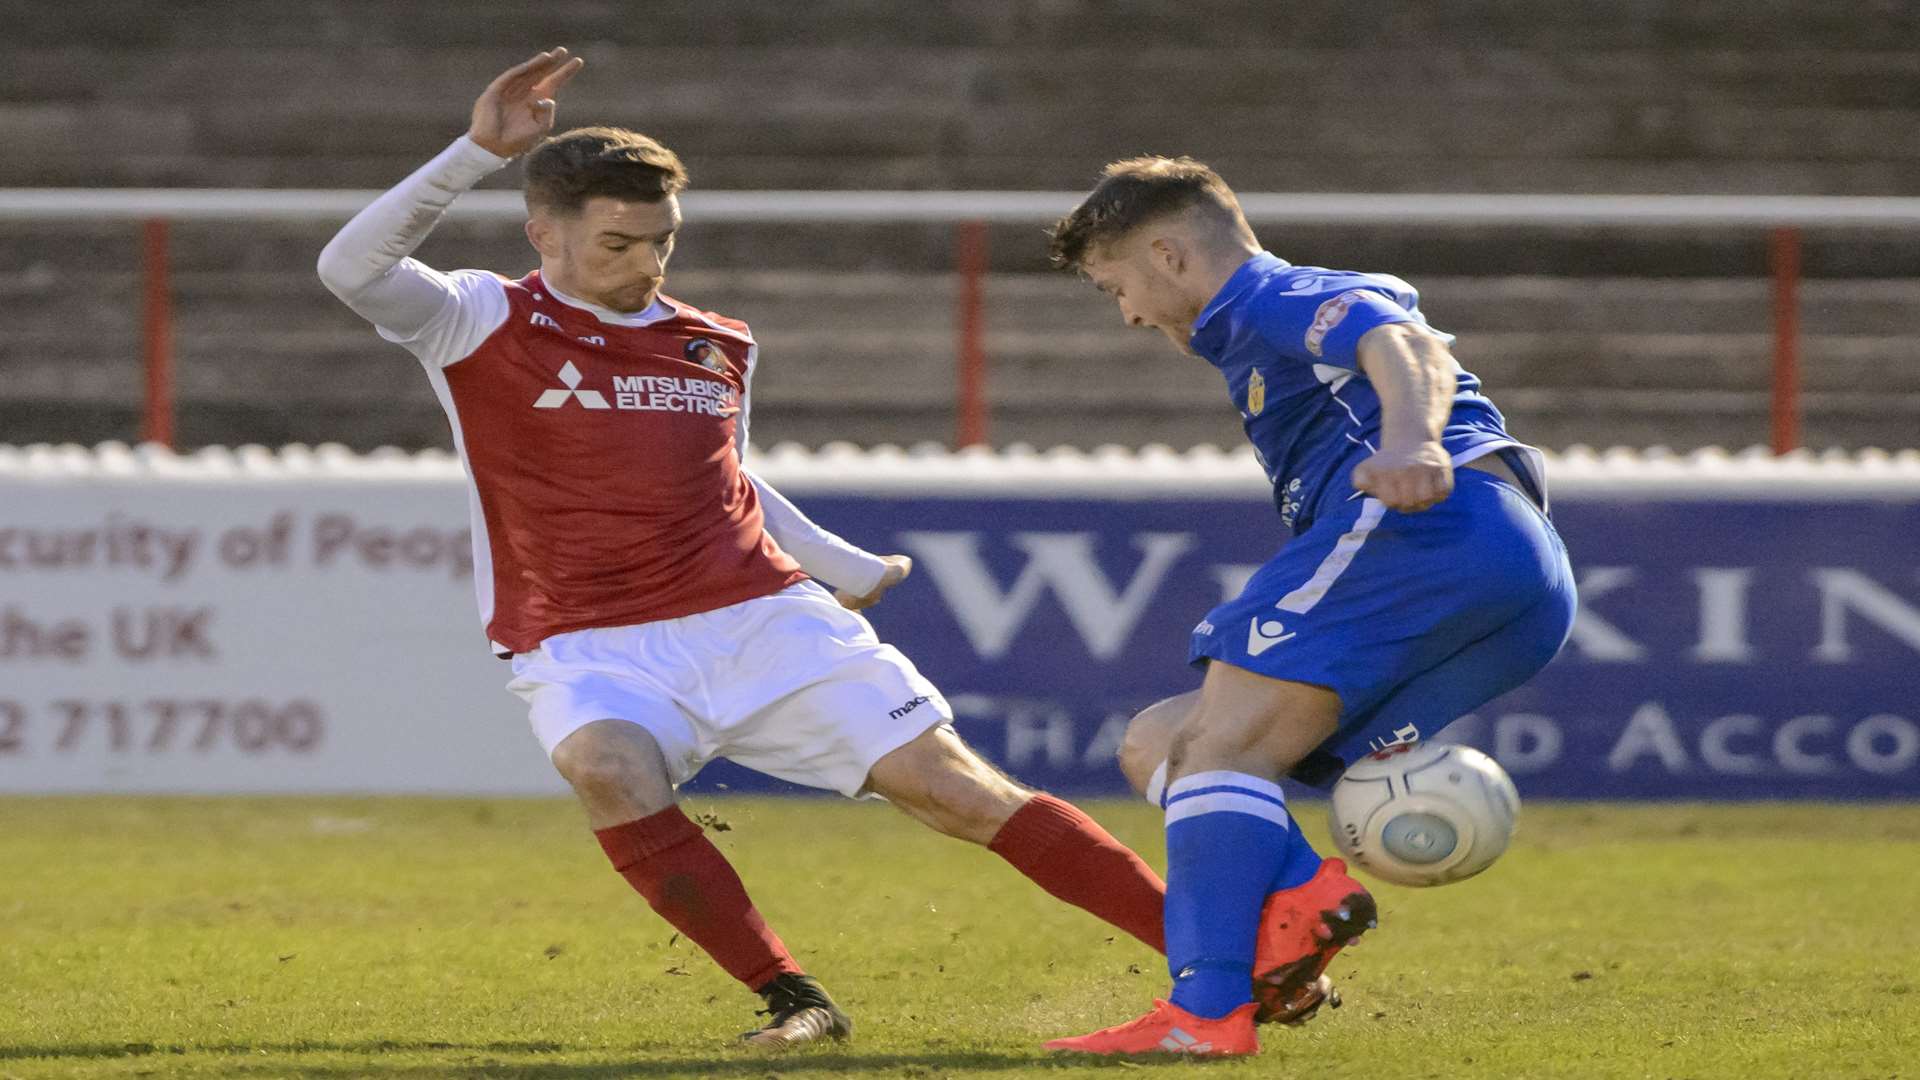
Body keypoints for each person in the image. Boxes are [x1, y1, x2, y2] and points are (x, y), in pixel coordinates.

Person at [316, 48, 1183, 1049]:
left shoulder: (715, 342)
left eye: (662, 240)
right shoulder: (476, 319)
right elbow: (349, 269)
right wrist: (475, 150)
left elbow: (721, 471)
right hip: (586, 639)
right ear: (542, 231)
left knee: (957, 793)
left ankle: (1217, 961)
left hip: (758, 616)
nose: (646, 264)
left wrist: (838, 564)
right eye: (617, 243)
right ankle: (793, 997)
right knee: (605, 765)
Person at [1040, 157, 1578, 1057]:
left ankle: (1208, 1010)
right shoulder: (1253, 336)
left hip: (1431, 533)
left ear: (1168, 254)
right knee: (1159, 743)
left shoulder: (1271, 295)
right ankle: (1287, 917)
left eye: (1117, 285)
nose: (1128, 312)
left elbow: (1404, 345)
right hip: (1508, 576)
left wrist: (1410, 441)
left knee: (1220, 745)